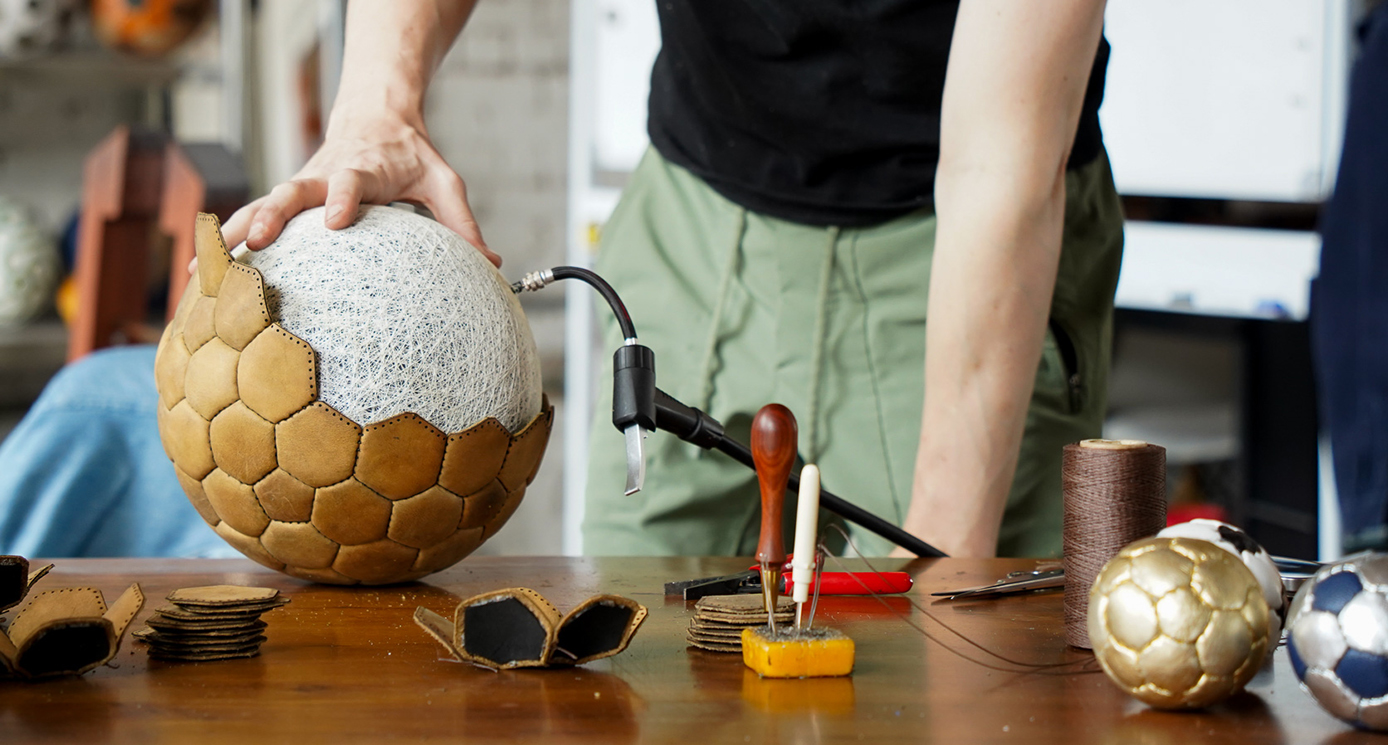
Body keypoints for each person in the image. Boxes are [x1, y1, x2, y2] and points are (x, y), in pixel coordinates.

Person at [220, 0, 1123, 559]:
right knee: (634, 671)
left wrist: (947, 555)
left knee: (939, 668)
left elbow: (997, 169)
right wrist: (379, 107)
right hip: (692, 205)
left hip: (954, 253)